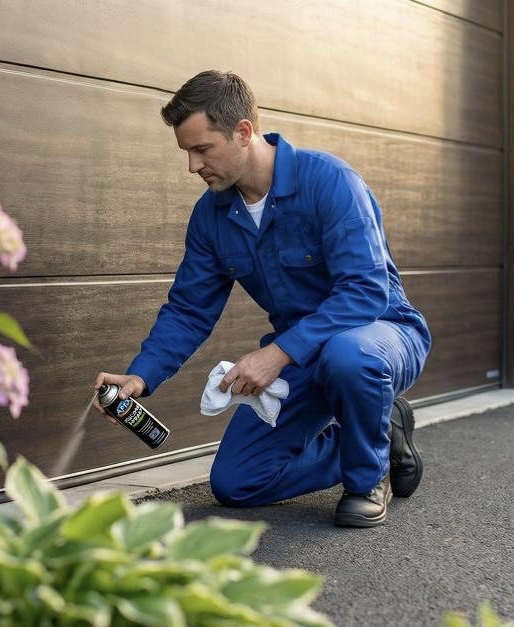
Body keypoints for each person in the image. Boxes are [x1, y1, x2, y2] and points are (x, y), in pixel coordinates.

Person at [92, 70, 431, 527]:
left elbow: (365, 292)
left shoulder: (329, 181)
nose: (193, 166)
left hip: (380, 335)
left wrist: (276, 354)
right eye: (186, 152)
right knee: (238, 483)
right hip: (303, 355)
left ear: (243, 132)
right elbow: (190, 310)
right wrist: (140, 377)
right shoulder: (211, 216)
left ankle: (366, 479)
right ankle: (375, 437)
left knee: (349, 355)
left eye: (201, 149)